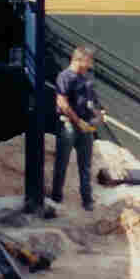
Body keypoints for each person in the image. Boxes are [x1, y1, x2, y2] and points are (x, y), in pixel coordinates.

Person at [51, 46, 103, 211]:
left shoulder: (85, 78)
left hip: (86, 127)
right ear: (79, 59)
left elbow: (92, 102)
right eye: (89, 60)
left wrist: (99, 114)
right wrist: (78, 121)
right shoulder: (65, 76)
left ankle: (87, 200)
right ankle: (56, 198)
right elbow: (62, 102)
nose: (91, 64)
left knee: (85, 165)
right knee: (62, 163)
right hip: (69, 125)